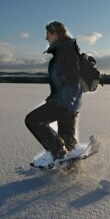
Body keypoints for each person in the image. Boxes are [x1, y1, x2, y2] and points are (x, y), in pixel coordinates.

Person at [25, 21, 82, 161]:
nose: (46, 38)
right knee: (67, 139)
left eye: (48, 34)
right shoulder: (64, 50)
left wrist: (65, 106)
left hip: (65, 102)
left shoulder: (65, 51)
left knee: (33, 120)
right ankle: (72, 171)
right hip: (68, 102)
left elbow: (74, 81)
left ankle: (59, 152)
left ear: (55, 34)